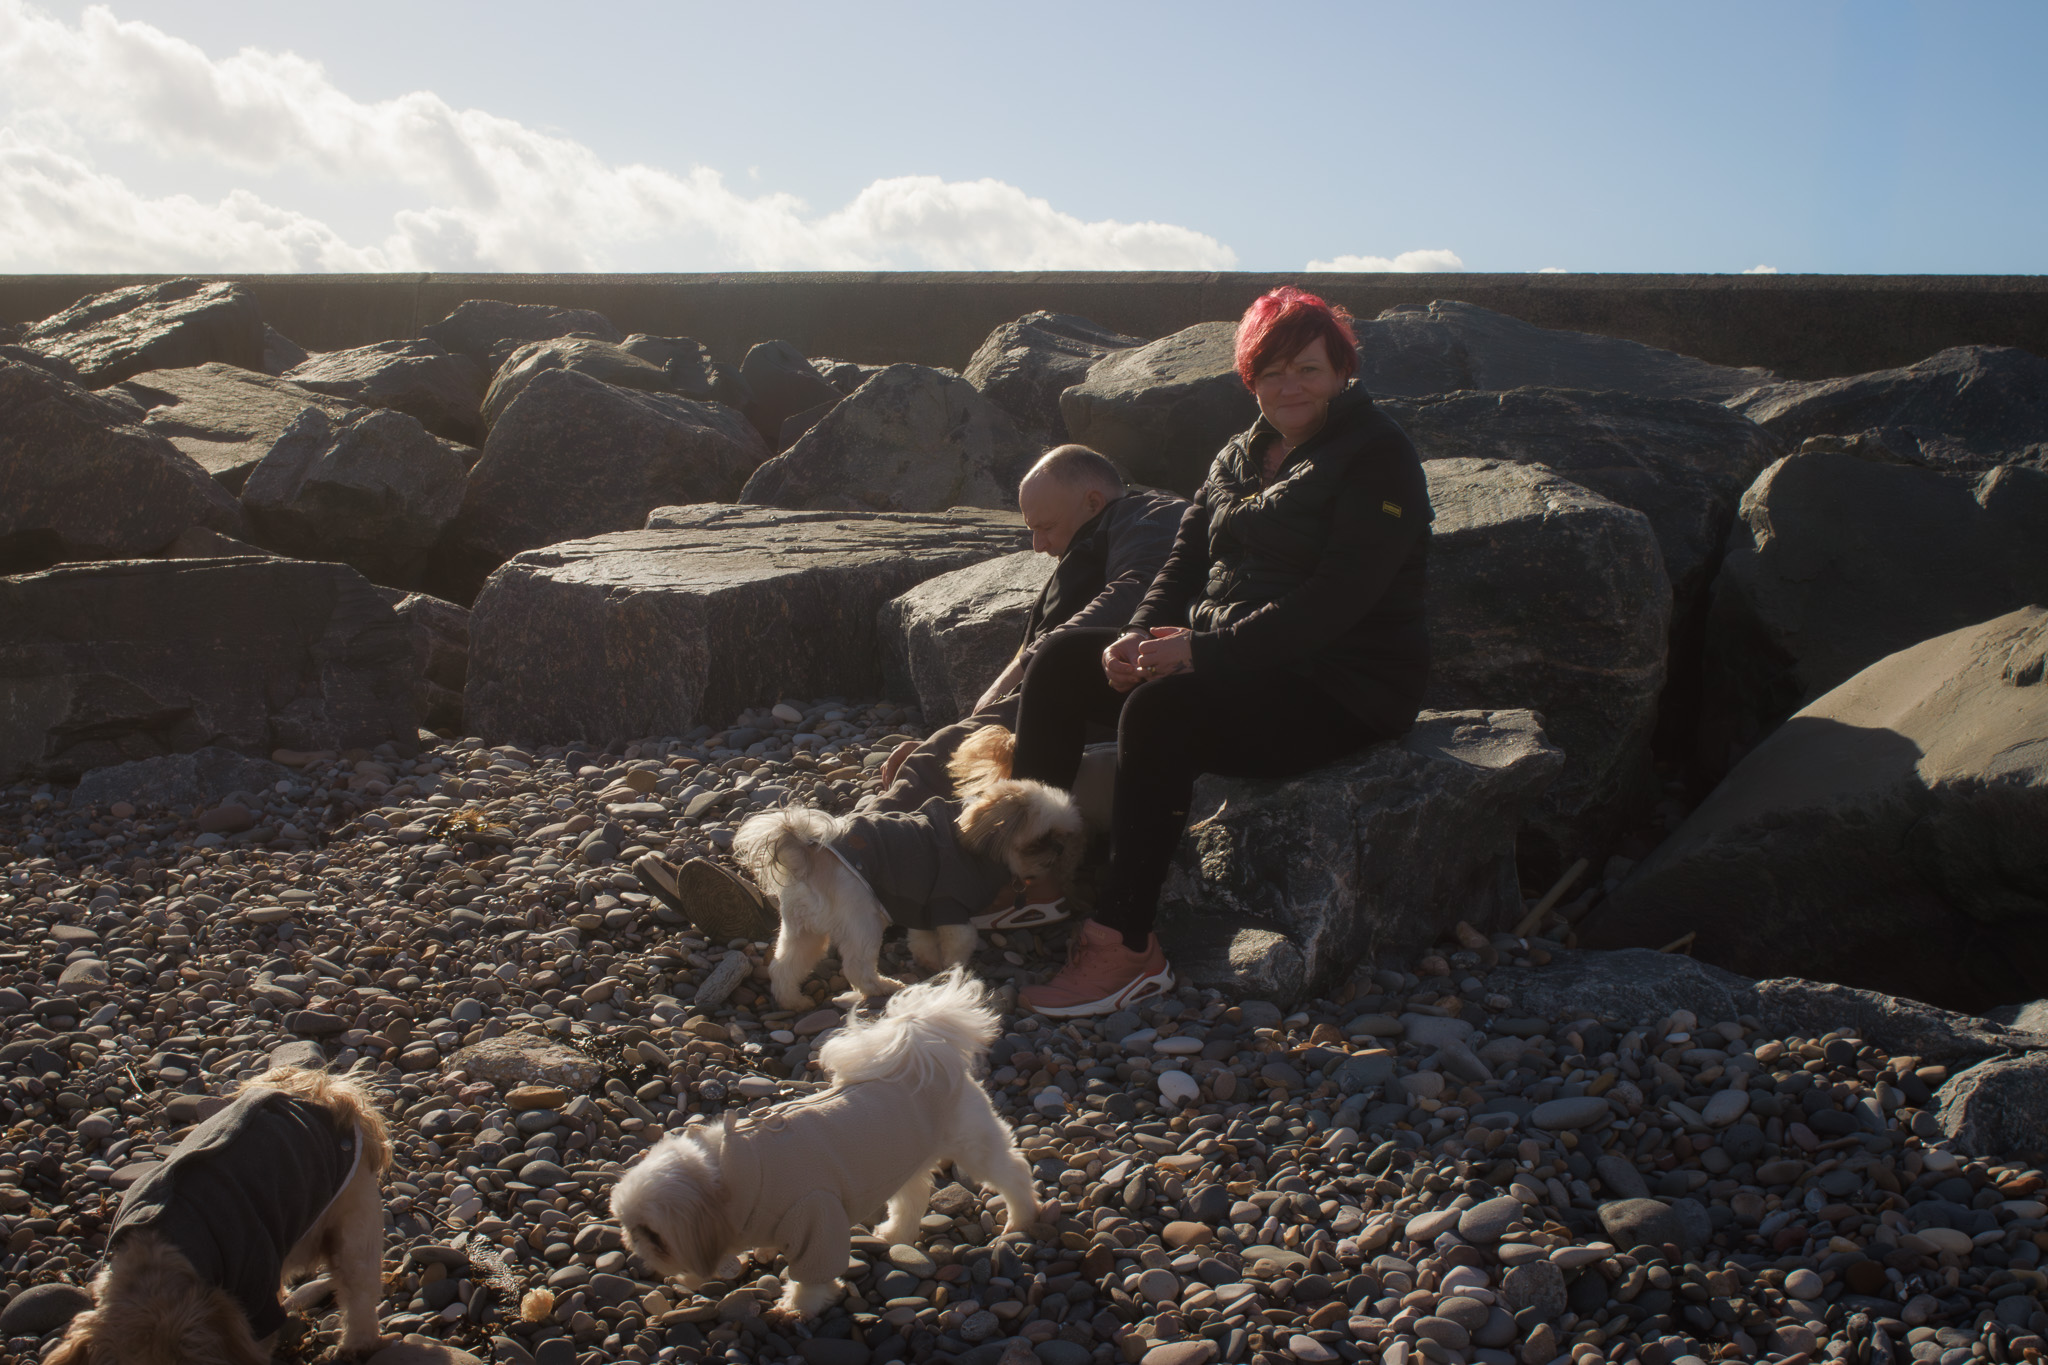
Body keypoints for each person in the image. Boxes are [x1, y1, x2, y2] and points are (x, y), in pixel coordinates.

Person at [1008, 286, 1435, 1017]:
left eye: (1308, 368)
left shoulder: (1379, 457)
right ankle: (1035, 877)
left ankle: (1125, 947)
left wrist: (1199, 654)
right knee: (1058, 663)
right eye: (1272, 372)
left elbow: (1337, 601)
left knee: (1162, 710)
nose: (1289, 385)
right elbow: (1182, 562)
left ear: (1341, 371)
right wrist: (1136, 633)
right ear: (1249, 378)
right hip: (1240, 660)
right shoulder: (1238, 455)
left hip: (1341, 685)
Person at [634, 444, 1186, 943]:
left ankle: (806, 895)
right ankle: (818, 894)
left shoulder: (1150, 516)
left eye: (1046, 528)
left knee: (935, 767)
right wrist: (965, 727)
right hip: (1067, 712)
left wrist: (977, 720)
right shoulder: (1091, 542)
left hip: (1104, 714)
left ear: (1093, 500)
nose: (1038, 546)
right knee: (932, 768)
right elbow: (1038, 660)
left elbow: (1136, 593)